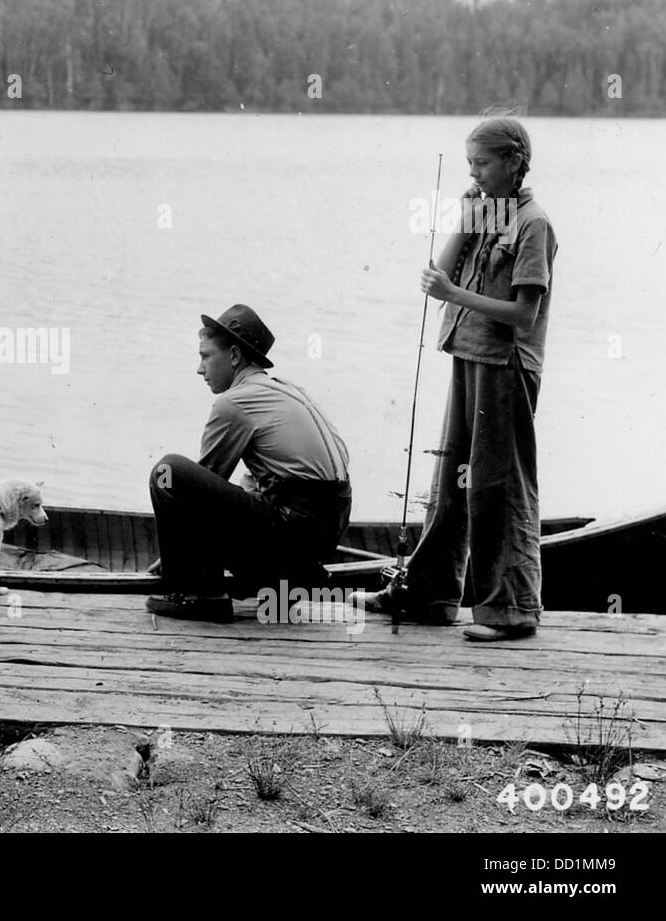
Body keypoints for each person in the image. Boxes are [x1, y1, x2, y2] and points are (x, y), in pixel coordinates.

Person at [355, 118, 557, 642]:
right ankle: (429, 595)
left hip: (506, 368)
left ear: (513, 162)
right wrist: (466, 222)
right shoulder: (486, 213)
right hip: (467, 354)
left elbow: (524, 316)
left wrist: (455, 293)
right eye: (469, 163)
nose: (473, 172)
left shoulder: (533, 224)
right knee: (451, 482)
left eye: (482, 163)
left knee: (497, 488)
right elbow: (436, 278)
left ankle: (510, 611)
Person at [146, 304, 352, 622]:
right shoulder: (286, 390)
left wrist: (175, 556)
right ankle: (289, 582)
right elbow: (264, 478)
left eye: (205, 356)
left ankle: (201, 595)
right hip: (320, 536)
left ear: (234, 356)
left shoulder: (233, 402)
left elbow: (196, 491)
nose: (199, 369)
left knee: (167, 473)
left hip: (293, 532)